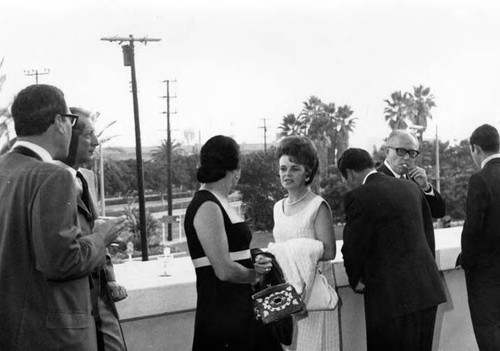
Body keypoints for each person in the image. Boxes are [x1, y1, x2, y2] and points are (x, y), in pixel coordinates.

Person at [0, 84, 126, 351]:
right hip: (55, 338)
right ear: (59, 122)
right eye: (69, 120)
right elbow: (61, 261)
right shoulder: (52, 176)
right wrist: (100, 237)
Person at [338, 148, 446, 351]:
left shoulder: (358, 196)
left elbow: (353, 248)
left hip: (391, 300)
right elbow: (427, 235)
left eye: (345, 179)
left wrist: (355, 280)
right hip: (426, 290)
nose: (347, 185)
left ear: (350, 173)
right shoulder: (410, 187)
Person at [184, 135, 281, 351]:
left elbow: (236, 253)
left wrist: (255, 259)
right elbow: (224, 270)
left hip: (241, 311)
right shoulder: (207, 205)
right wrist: (256, 275)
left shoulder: (219, 201)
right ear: (235, 168)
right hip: (224, 314)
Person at [57, 106, 128, 351]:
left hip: (101, 295)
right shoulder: (51, 182)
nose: (96, 142)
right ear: (67, 136)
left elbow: (93, 226)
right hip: (73, 300)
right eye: (88, 135)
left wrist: (110, 279)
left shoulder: (84, 178)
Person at [271, 135, 339, 351]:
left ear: (308, 171)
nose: (287, 174)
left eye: (294, 168)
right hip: (286, 297)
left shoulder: (318, 206)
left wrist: (297, 251)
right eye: (283, 169)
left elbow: (329, 251)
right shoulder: (277, 208)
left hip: (313, 296)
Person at [460, 124, 500, 350]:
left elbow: (472, 228)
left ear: (475, 148)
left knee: (488, 329)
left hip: (487, 274)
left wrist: (466, 261)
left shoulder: (480, 179)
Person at [378, 129, 446, 219]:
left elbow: (439, 213)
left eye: (412, 153)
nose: (406, 158)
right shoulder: (375, 179)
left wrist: (426, 187)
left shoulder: (416, 180)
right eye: (401, 151)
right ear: (387, 151)